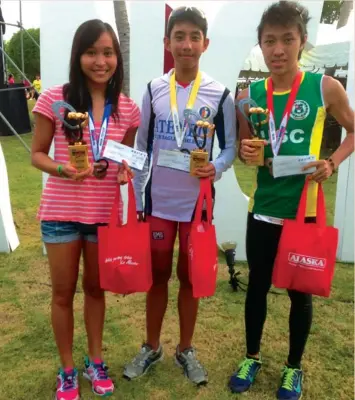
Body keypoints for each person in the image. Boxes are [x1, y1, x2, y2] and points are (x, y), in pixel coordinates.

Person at [229, 2, 354, 399]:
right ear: (261, 46)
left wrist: (332, 163)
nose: (278, 49)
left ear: (301, 42)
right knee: (257, 289)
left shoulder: (325, 87)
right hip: (264, 208)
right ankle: (252, 356)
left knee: (301, 293)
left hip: (305, 213)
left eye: (287, 39)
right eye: (270, 41)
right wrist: (249, 153)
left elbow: (353, 132)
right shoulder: (250, 94)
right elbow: (250, 148)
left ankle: (293, 367)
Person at [126, 6, 236, 385]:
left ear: (205, 43)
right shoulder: (155, 89)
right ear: (167, 43)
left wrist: (216, 167)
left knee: (190, 280)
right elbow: (141, 146)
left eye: (194, 37)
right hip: (158, 205)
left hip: (196, 209)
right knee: (157, 278)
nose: (186, 44)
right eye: (179, 37)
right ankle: (151, 345)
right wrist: (139, 201)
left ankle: (186, 349)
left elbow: (231, 148)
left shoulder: (220, 94)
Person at [31, 19, 140, 400]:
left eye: (108, 52)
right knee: (63, 294)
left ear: (117, 58)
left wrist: (125, 172)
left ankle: (95, 362)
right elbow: (37, 155)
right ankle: (66, 370)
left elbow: (122, 159)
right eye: (91, 52)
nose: (100, 61)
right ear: (78, 56)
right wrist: (63, 169)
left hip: (102, 217)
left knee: (96, 291)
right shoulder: (55, 100)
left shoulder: (128, 109)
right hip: (61, 212)